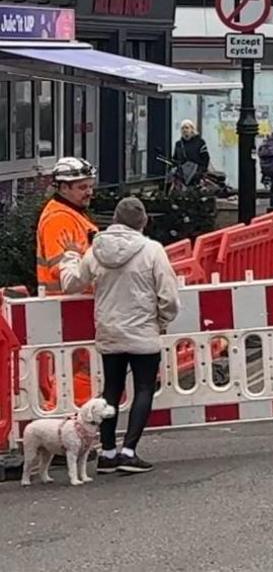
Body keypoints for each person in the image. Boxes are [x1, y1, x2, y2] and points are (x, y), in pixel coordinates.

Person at [59, 197, 180, 475]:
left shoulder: (95, 251)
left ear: (114, 219)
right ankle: (129, 451)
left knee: (112, 389)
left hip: (109, 331)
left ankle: (108, 452)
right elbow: (168, 296)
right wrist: (162, 320)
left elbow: (73, 283)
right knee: (144, 389)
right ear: (143, 221)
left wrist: (67, 260)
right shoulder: (152, 250)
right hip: (143, 331)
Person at [36, 156, 100, 409]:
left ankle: (69, 426)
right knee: (77, 370)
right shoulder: (59, 219)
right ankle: (66, 422)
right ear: (63, 188)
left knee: (75, 369)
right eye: (82, 187)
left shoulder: (71, 214)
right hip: (67, 305)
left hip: (75, 305)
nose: (89, 192)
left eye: (90, 186)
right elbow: (61, 271)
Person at [171, 120, 210, 186]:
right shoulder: (178, 144)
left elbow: (206, 158)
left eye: (187, 128)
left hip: (196, 175)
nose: (184, 130)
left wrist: (201, 172)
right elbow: (175, 159)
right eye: (182, 128)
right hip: (182, 176)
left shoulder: (200, 142)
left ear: (192, 129)